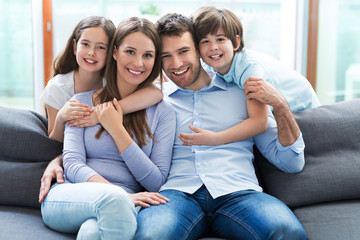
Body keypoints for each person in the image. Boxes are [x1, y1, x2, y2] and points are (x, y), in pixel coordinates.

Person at [133, 13, 307, 240]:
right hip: (177, 195)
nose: (176, 64)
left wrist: (281, 105)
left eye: (183, 51)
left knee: (288, 232)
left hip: (238, 194)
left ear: (198, 49)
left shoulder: (243, 92)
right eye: (166, 56)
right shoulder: (155, 102)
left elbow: (291, 162)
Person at [41, 17, 176, 240]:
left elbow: (156, 181)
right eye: (130, 52)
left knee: (91, 233)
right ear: (115, 52)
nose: (138, 63)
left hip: (125, 204)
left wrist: (116, 129)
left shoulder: (162, 111)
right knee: (114, 204)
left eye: (148, 55)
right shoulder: (81, 102)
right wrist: (119, 195)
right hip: (72, 194)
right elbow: (73, 165)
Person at [191, 6, 320, 113]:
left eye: (220, 39)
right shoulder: (210, 66)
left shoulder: (249, 69)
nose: (213, 47)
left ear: (236, 43)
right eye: (205, 41)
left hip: (302, 108)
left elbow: (259, 120)